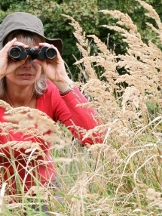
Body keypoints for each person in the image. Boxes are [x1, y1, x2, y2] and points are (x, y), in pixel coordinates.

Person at [0, 12, 102, 214]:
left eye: (35, 55)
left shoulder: (51, 92)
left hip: (42, 191)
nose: (27, 64)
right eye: (17, 54)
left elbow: (97, 138)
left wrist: (63, 81)